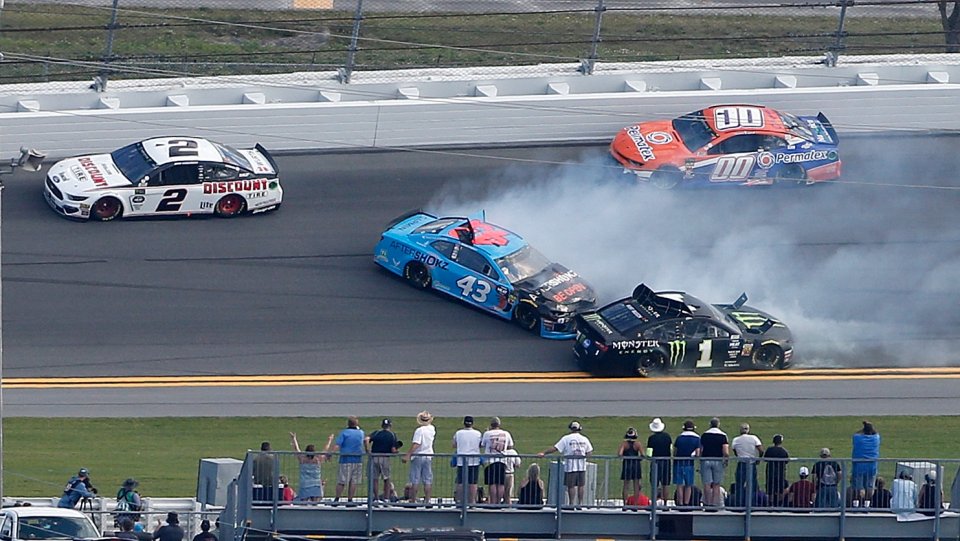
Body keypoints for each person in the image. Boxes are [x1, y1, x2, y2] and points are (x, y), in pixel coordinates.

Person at [538, 420, 594, 508]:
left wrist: (544, 453)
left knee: (571, 486)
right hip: (582, 466)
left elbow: (555, 448)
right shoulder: (584, 439)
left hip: (570, 466)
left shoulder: (566, 438)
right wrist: (584, 458)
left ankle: (571, 504)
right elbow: (589, 452)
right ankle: (580, 504)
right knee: (581, 485)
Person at [402, 410, 436, 505]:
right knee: (427, 479)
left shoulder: (419, 431)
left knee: (415, 479)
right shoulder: (432, 429)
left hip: (418, 455)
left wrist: (408, 454)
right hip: (428, 455)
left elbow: (416, 444)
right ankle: (428, 500)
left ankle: (413, 500)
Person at [365, 418, 402, 502]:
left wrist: (367, 450)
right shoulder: (392, 435)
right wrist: (396, 452)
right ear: (390, 425)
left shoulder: (377, 433)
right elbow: (393, 450)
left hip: (374, 457)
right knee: (386, 479)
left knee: (374, 479)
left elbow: (366, 439)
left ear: (382, 425)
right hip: (385, 458)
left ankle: (376, 498)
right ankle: (386, 498)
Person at [481, 416, 515, 506]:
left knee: (492, 483)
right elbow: (510, 446)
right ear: (499, 424)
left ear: (491, 425)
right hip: (502, 461)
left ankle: (493, 501)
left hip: (490, 461)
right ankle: (498, 502)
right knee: (500, 483)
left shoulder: (487, 434)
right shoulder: (506, 433)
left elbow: (482, 444)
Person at [330, 416, 365, 503]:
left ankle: (337, 498)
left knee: (342, 481)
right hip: (357, 459)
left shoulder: (344, 433)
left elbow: (338, 445)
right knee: (354, 481)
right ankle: (350, 499)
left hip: (345, 459)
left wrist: (331, 453)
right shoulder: (361, 433)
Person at [290, 431, 330, 502]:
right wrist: (329, 440)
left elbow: (297, 449)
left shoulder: (302, 459)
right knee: (315, 503)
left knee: (303, 503)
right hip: (316, 484)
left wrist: (294, 439)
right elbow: (325, 450)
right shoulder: (318, 460)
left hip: (305, 484)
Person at [699, 417, 730, 508]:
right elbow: (726, 451)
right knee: (716, 484)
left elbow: (701, 449)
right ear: (718, 424)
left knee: (707, 483)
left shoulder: (704, 435)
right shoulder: (723, 435)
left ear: (710, 424)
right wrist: (726, 460)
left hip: (706, 460)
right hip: (718, 460)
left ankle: (707, 503)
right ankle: (714, 504)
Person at [730, 423, 763, 507]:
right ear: (748, 430)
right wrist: (758, 458)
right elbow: (761, 450)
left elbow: (735, 451)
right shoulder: (754, 438)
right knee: (752, 484)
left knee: (739, 484)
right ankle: (752, 504)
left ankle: (739, 504)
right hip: (752, 463)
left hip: (741, 463)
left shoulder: (736, 440)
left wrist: (739, 455)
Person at [851, 420, 880, 508]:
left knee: (857, 486)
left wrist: (863, 428)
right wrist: (869, 426)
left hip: (858, 465)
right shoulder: (876, 438)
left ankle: (856, 504)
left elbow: (856, 433)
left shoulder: (858, 438)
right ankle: (867, 504)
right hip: (871, 466)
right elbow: (876, 432)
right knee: (869, 486)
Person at [453, 415, 482, 504]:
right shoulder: (478, 433)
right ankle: (472, 501)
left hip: (461, 461)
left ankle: (460, 501)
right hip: (474, 461)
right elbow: (481, 444)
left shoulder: (458, 433)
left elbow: (454, 445)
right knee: (473, 482)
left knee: (460, 482)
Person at [673, 419, 700, 509]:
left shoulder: (679, 438)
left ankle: (680, 503)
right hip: (689, 464)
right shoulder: (697, 438)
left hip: (678, 462)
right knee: (689, 484)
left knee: (679, 484)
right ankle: (686, 503)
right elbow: (698, 453)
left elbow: (675, 451)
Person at [646, 417, 672, 505]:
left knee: (654, 484)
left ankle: (654, 502)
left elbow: (649, 453)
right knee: (665, 484)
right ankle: (665, 503)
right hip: (666, 462)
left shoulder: (651, 438)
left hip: (655, 462)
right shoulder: (667, 437)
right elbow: (670, 449)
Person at [617, 427, 644, 508]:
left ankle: (625, 504)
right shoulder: (638, 444)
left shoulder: (624, 444)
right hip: (636, 465)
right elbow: (643, 454)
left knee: (626, 485)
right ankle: (635, 505)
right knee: (636, 485)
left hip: (627, 465)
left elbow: (619, 454)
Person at [763, 434, 789, 507]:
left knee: (770, 490)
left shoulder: (769, 450)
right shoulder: (783, 451)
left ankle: (770, 505)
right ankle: (779, 504)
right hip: (780, 474)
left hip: (770, 473)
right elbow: (786, 461)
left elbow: (765, 459)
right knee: (780, 490)